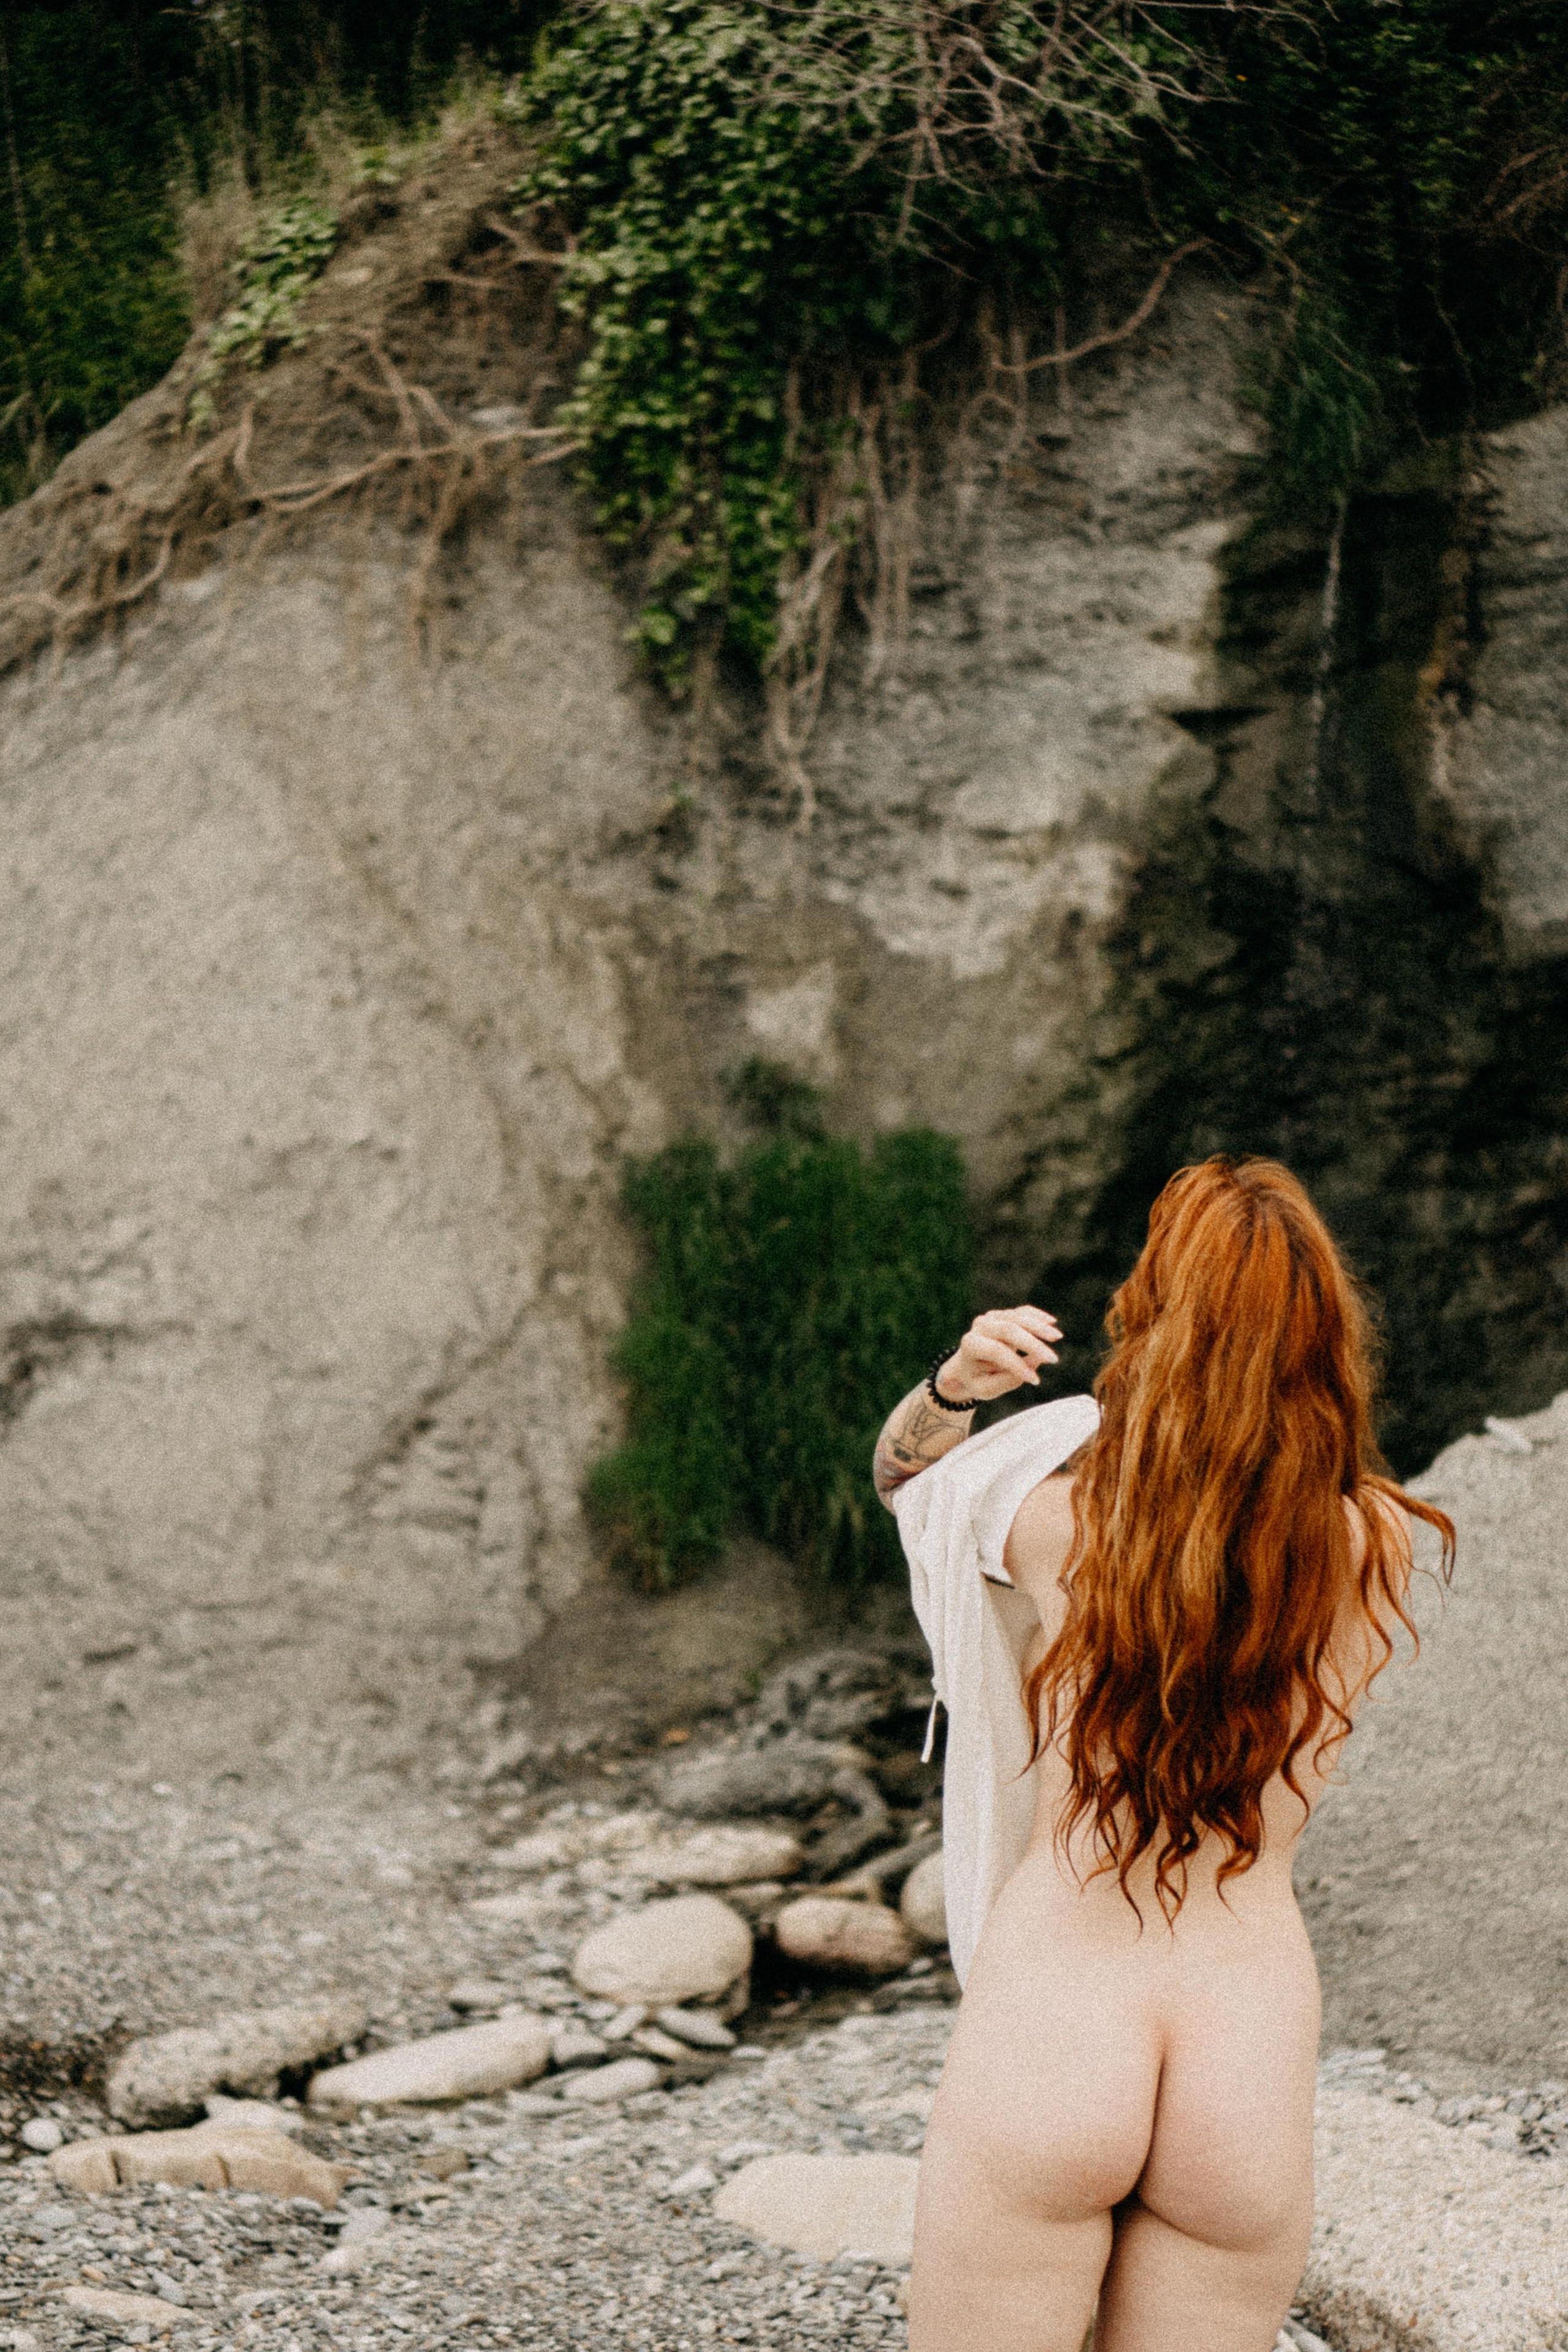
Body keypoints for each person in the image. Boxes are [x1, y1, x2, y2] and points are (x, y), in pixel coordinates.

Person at [871, 1156, 1455, 2352]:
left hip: (1061, 2015)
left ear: (1151, 1321)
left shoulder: (1055, 1522)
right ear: (1324, 1339)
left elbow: (907, 1485)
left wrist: (953, 1386)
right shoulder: (1376, 1545)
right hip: (1243, 2044)